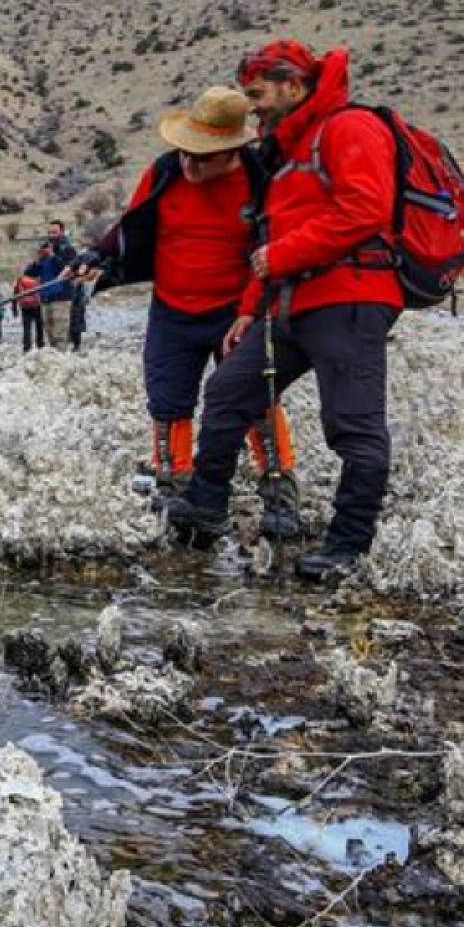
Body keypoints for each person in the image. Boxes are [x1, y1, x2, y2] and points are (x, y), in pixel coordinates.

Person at [166, 41, 403, 581]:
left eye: (257, 94)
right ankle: (205, 507)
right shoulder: (291, 148)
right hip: (293, 301)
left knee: (354, 425)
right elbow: (273, 240)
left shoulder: (350, 128)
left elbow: (366, 207)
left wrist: (281, 258)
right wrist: (250, 309)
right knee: (228, 390)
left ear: (294, 86)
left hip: (352, 296)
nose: (252, 107)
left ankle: (347, 546)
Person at [91, 85, 299, 535]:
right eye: (185, 151)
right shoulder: (165, 172)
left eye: (202, 156)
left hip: (237, 310)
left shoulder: (262, 180)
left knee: (258, 400)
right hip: (172, 310)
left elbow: (272, 251)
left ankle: (279, 489)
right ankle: (175, 487)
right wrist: (95, 258)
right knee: (167, 402)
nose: (189, 162)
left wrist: (251, 310)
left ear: (231, 151)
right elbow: (131, 226)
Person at [37, 221, 76, 349]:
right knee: (49, 333)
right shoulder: (45, 250)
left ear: (62, 232)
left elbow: (68, 269)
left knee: (60, 333)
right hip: (46, 296)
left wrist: (53, 256)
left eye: (54, 232)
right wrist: (38, 259)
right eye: (49, 232)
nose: (51, 235)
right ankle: (55, 358)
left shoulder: (68, 250)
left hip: (61, 297)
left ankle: (63, 359)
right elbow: (33, 272)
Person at [12, 260, 45, 353]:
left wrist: (14, 309)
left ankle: (26, 347)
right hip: (36, 306)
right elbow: (41, 293)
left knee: (27, 327)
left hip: (25, 306)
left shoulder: (20, 279)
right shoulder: (38, 280)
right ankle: (40, 344)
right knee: (39, 326)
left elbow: (15, 294)